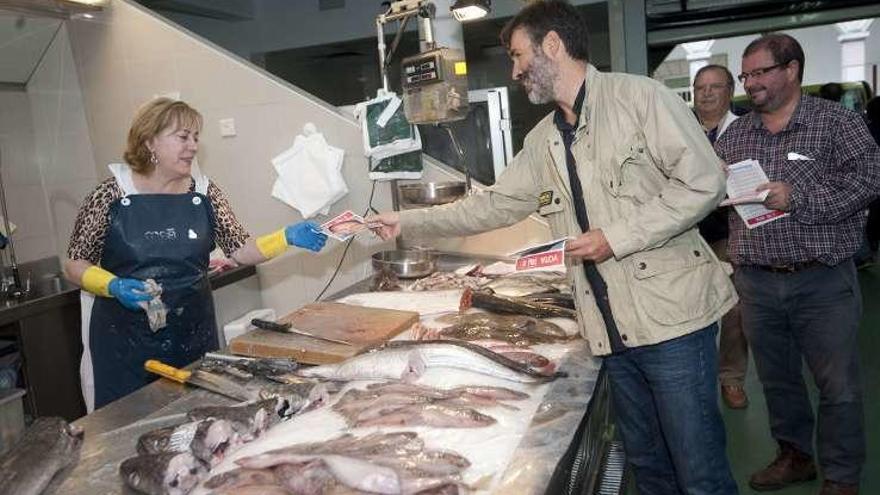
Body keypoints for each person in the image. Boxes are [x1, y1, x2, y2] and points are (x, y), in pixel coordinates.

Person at [370, 2, 738, 493]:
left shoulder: (639, 98)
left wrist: (615, 238)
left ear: (552, 45)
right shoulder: (544, 138)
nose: (515, 70)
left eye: (518, 55)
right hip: (608, 331)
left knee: (700, 472)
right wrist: (407, 221)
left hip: (672, 321)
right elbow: (494, 206)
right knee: (648, 467)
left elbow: (704, 181)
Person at [64, 98, 327, 410]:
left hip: (192, 333)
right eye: (182, 137)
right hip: (124, 344)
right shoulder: (109, 194)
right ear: (149, 141)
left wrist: (286, 236)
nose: (192, 147)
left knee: (196, 418)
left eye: (195, 138)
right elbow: (73, 264)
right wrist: (112, 286)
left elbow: (240, 250)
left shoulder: (202, 192)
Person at [714, 34, 879, 495]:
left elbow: (867, 181)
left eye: (760, 72)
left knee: (838, 386)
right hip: (758, 283)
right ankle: (795, 457)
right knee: (778, 381)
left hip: (821, 281)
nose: (751, 83)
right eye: (746, 75)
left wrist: (797, 197)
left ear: (791, 71)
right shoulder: (738, 133)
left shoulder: (837, 124)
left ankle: (842, 477)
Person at [692, 64, 750, 409]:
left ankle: (731, 378)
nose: (708, 93)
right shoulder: (680, 128)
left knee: (733, 311)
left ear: (729, 91)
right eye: (701, 88)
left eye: (715, 87)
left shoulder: (746, 129)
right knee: (692, 310)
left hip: (731, 233)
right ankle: (696, 381)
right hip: (687, 236)